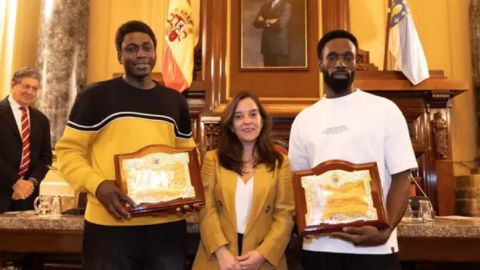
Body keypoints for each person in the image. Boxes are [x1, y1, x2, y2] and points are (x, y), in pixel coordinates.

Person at [56, 20, 197, 270]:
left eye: (147, 47)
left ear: (155, 52)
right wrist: (98, 185)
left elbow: (187, 155)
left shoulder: (175, 102)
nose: (140, 54)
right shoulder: (95, 96)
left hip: (166, 228)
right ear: (119, 55)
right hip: (109, 225)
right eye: (131, 48)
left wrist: (189, 192)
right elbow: (68, 152)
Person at [288, 29, 417, 270]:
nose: (340, 63)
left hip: (375, 248)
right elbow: (297, 184)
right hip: (319, 248)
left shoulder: (385, 110)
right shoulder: (304, 120)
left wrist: (384, 231)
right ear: (320, 64)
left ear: (357, 63)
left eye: (348, 57)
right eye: (332, 57)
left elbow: (402, 177)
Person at [193, 91, 295, 270]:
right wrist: (221, 251)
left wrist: (262, 254)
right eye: (239, 116)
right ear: (231, 126)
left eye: (253, 114)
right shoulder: (212, 159)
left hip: (264, 259)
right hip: (218, 258)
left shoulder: (281, 163)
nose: (247, 121)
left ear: (262, 121)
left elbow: (285, 215)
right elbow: (206, 209)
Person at [0, 67, 52, 213]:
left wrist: (30, 183)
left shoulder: (41, 120)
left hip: (28, 198)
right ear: (13, 85)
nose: (30, 92)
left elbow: (46, 158)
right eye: (26, 86)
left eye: (35, 88)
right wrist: (14, 181)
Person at [253, 0, 292, 67]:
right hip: (267, 46)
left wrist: (265, 21)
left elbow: (280, 24)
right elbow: (256, 23)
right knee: (268, 75)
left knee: (282, 74)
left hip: (280, 47)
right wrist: (270, 21)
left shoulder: (286, 5)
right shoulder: (265, 6)